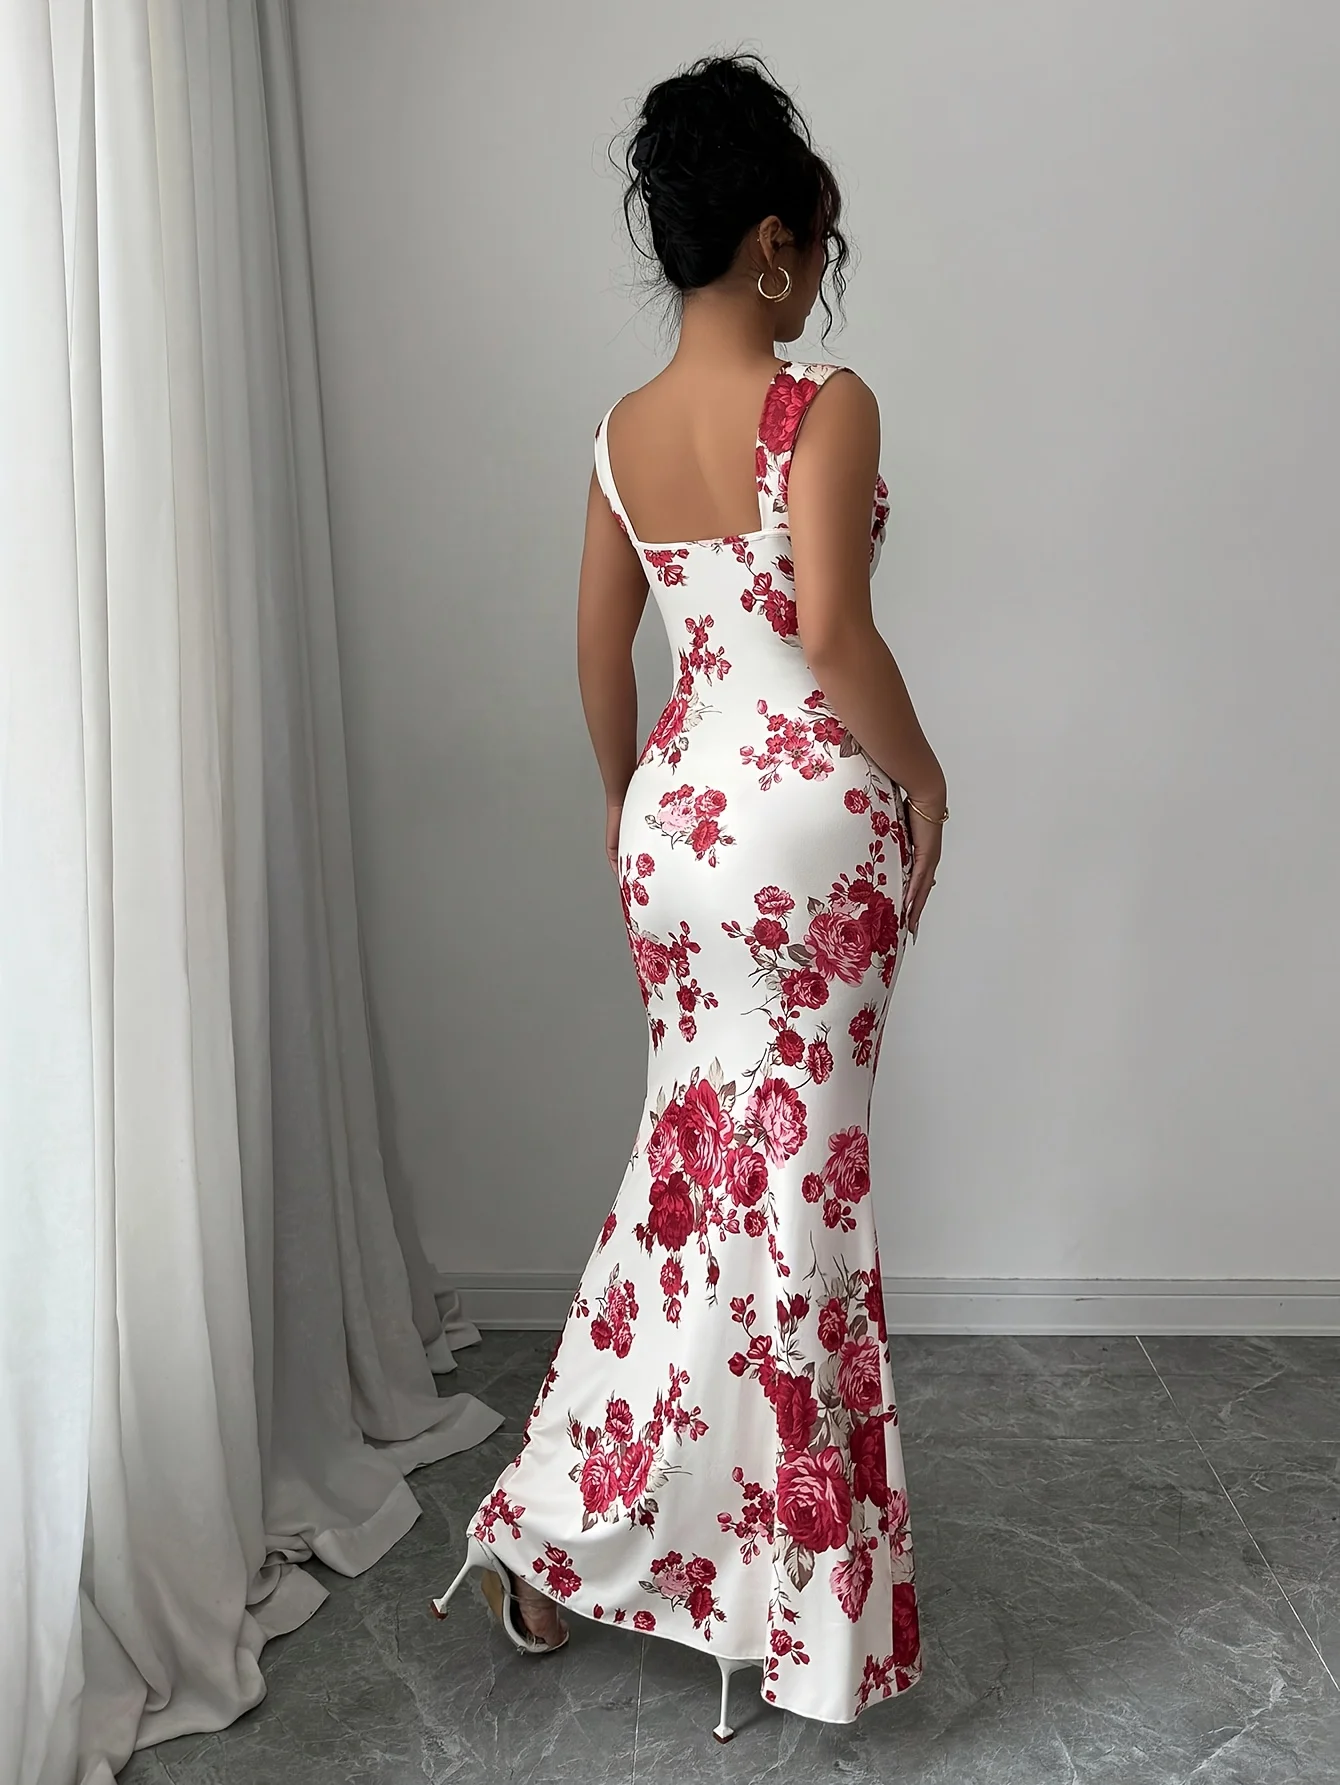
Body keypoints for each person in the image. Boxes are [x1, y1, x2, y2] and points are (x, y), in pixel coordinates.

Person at [430, 50, 948, 1737]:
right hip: (808, 826)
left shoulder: (620, 434)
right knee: (801, 1201)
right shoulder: (826, 404)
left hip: (678, 828)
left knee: (690, 1186)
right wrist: (927, 778)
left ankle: (556, 1533)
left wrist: (621, 798)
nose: (820, 278)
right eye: (817, 246)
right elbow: (832, 632)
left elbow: (600, 652)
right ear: (777, 243)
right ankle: (798, 1612)